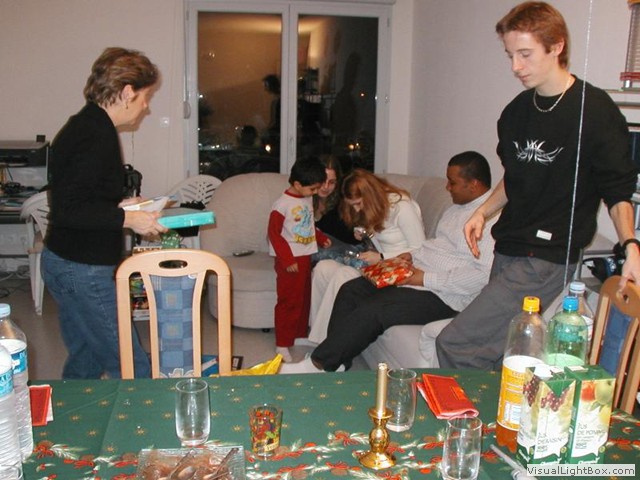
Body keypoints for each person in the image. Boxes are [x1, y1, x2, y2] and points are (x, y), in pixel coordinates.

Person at [436, 2, 640, 370]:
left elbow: (617, 191)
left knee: (456, 343)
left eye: (525, 54)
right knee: (503, 356)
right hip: (508, 248)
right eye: (510, 55)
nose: (516, 66)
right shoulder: (516, 112)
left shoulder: (594, 111)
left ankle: (462, 409)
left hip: (548, 258)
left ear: (556, 46)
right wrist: (482, 212)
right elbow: (515, 177)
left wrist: (630, 244)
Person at [280, 151, 497, 373]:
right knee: (351, 290)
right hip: (415, 272)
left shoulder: (491, 222)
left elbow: (482, 276)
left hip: (445, 295)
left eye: (452, 182)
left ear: (474, 184)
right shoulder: (456, 209)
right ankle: (337, 363)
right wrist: (412, 256)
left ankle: (319, 364)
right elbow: (435, 246)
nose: (447, 187)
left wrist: (424, 279)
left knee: (375, 308)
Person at [42, 47, 167, 379]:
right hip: (81, 267)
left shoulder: (89, 125)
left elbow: (81, 197)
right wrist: (128, 219)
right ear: (127, 92)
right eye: (145, 97)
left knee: (87, 358)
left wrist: (121, 207)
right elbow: (69, 209)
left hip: (69, 260)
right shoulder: (95, 134)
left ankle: (71, 409)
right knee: (130, 364)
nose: (146, 106)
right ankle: (148, 413)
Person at [306, 168, 427, 345]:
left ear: (369, 195)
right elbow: (380, 238)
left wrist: (382, 256)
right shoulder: (376, 206)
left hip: (399, 272)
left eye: (358, 203)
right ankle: (316, 336)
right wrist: (364, 233)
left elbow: (421, 249)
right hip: (378, 267)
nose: (356, 209)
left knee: (343, 275)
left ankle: (328, 343)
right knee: (323, 268)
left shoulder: (402, 207)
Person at [268, 157, 332, 362]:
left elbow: (308, 224)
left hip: (305, 257)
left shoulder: (306, 198)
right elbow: (274, 235)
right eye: (313, 188)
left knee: (304, 299)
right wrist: (287, 260)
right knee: (289, 301)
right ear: (297, 184)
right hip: (290, 261)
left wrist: (319, 238)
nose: (316, 192)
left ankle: (298, 335)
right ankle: (282, 343)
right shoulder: (281, 205)